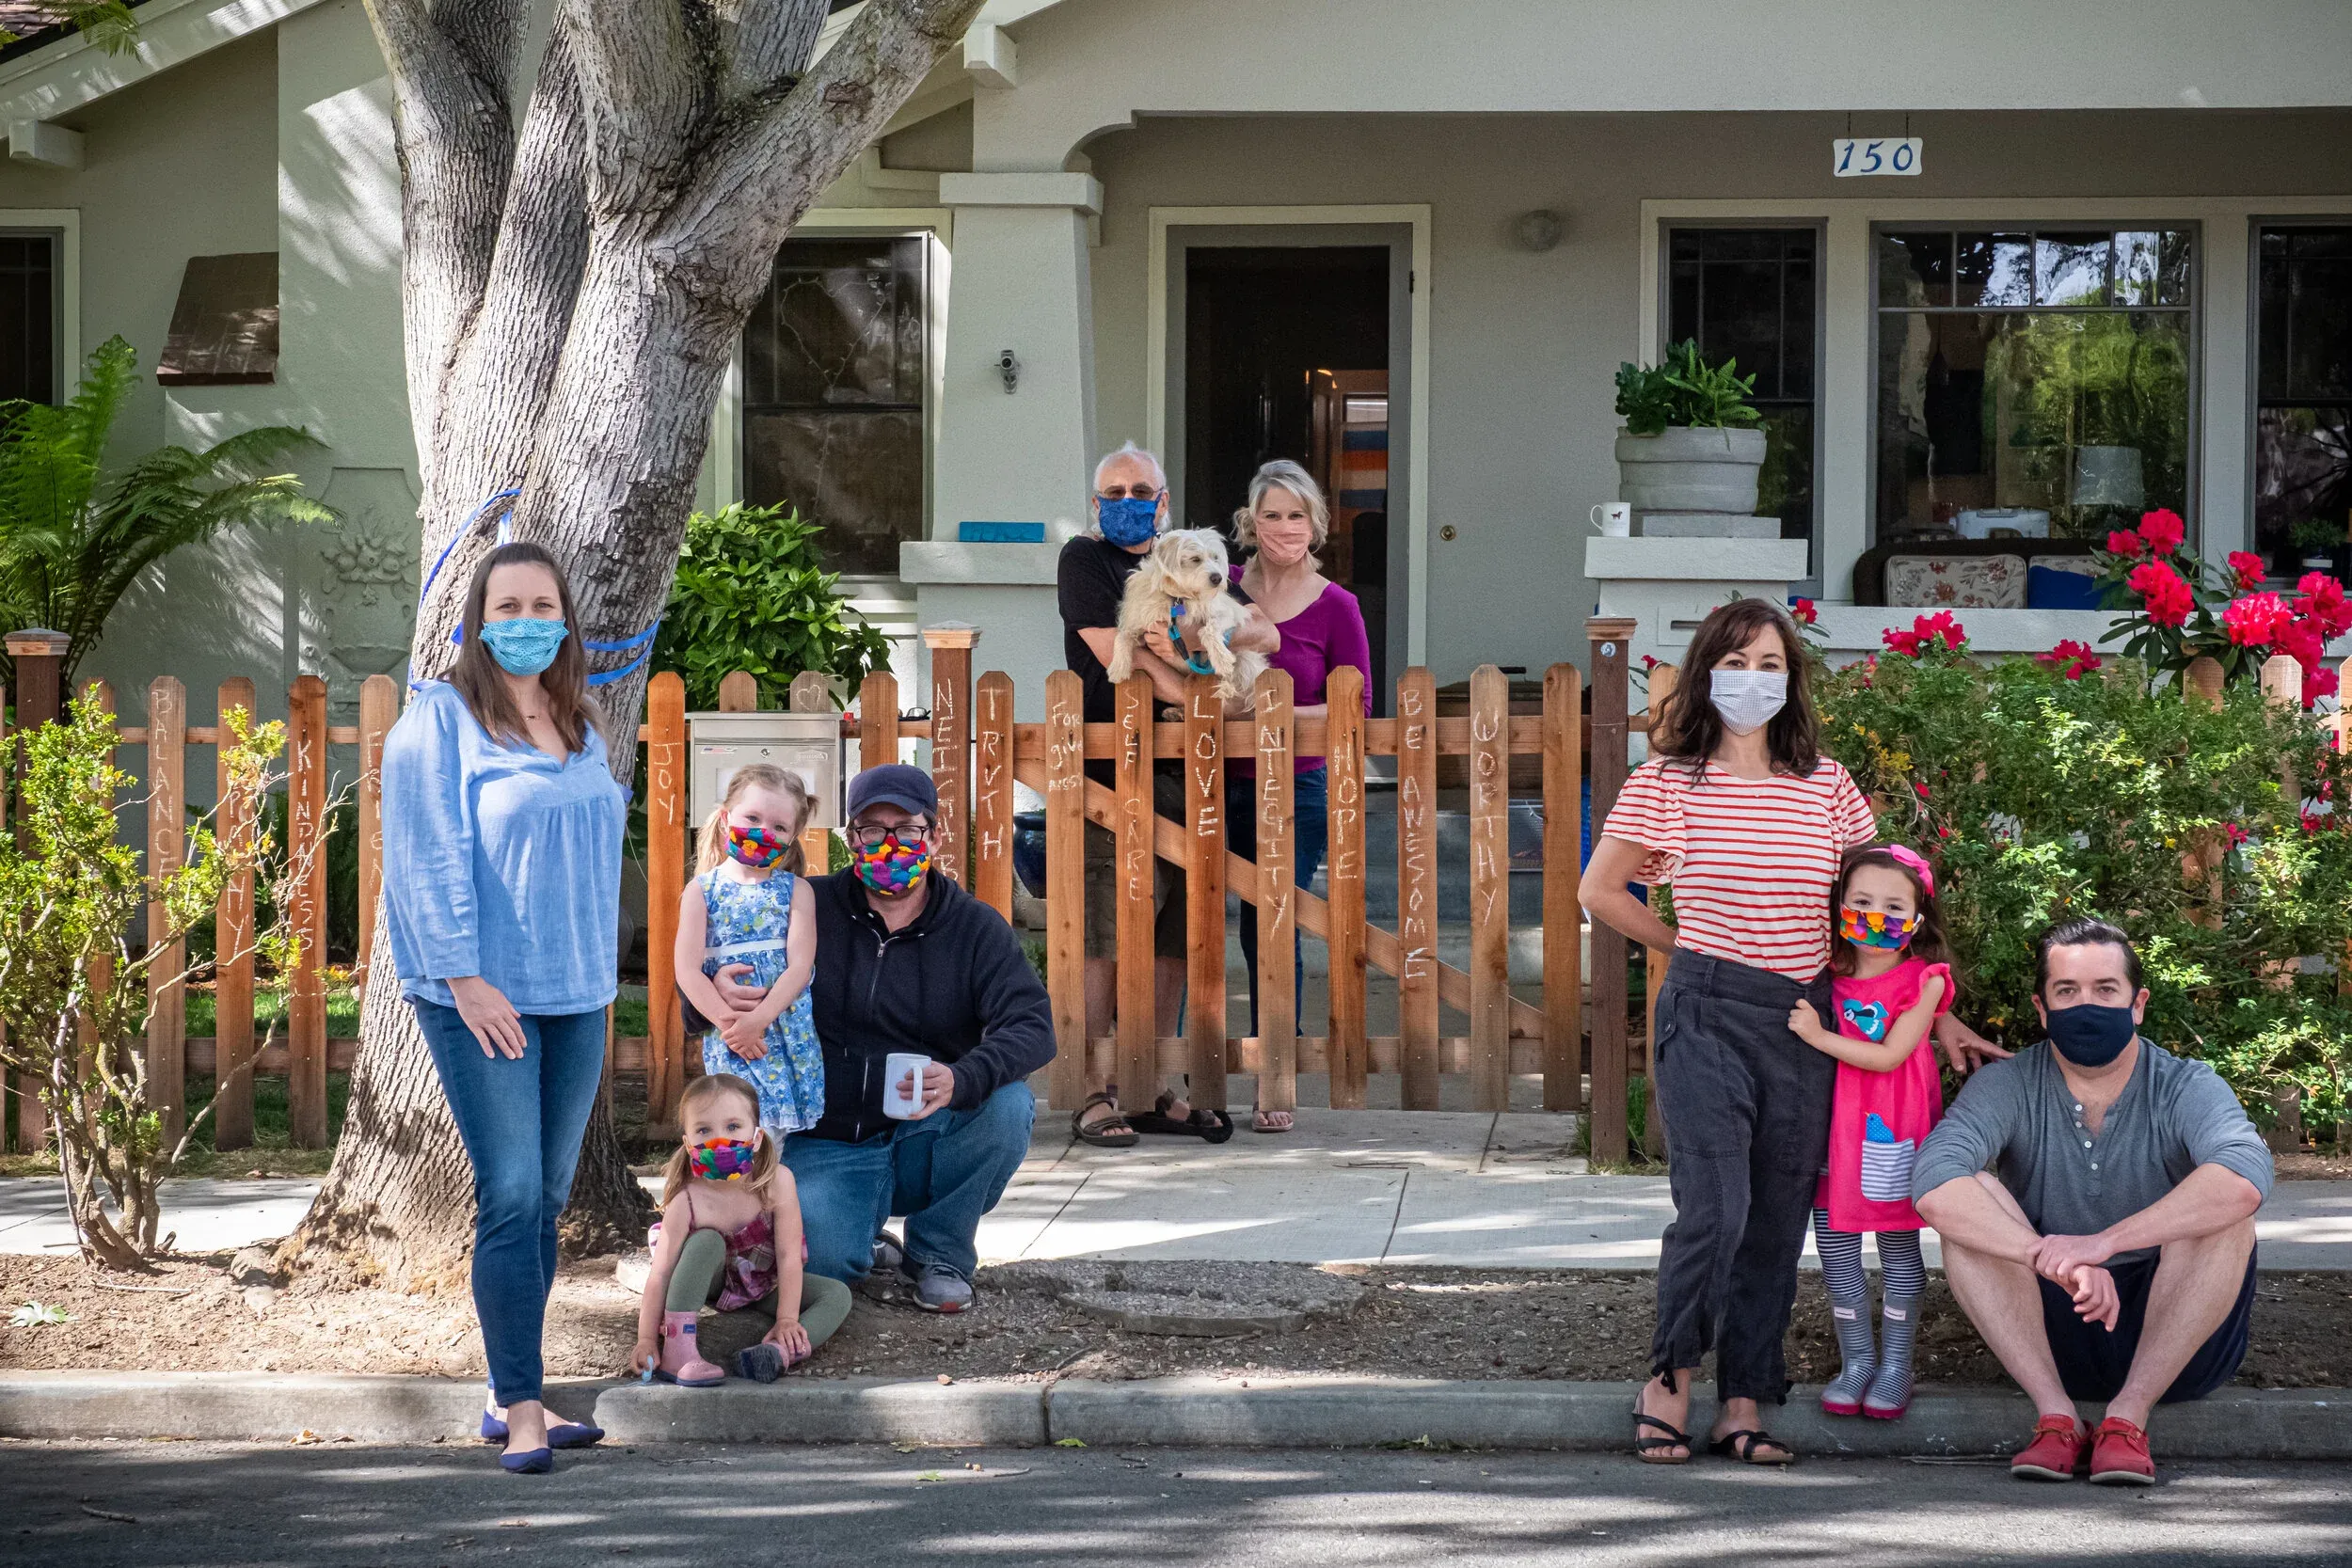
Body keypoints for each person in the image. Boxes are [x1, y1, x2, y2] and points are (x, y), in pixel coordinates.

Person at [1581, 596, 1997, 1466]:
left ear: (1791, 679)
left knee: (1775, 1218)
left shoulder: (1828, 785)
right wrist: (1684, 945)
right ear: (1705, 675)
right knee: (1717, 1206)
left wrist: (1938, 1010)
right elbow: (1601, 891)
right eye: (1734, 664)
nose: (1752, 681)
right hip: (1705, 1012)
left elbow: (1884, 920)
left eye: (1770, 664)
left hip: (1808, 1017)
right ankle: (1669, 1379)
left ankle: (1745, 1399)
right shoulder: (1666, 782)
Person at [379, 540, 626, 1474]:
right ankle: (524, 1406)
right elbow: (422, 852)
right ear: (479, 620)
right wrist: (463, 974)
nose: (525, 620)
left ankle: (500, 1385)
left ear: (565, 619)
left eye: (541, 605)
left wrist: (600, 979)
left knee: (549, 1196)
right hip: (479, 994)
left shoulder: (581, 722)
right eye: (507, 605)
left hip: (576, 995)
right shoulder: (437, 721)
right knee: (513, 1192)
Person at [1913, 919, 2271, 1487]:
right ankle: (2056, 1417)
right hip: (2049, 1332)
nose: (2087, 1006)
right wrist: (2050, 1256)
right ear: (2041, 1007)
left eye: (2106, 990)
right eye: (2067, 992)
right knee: (1969, 1199)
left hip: (2178, 1337)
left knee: (2223, 1212)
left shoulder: (2185, 1083)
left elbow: (2246, 1175)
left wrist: (2103, 1243)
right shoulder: (2007, 1085)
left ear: (2137, 1004)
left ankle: (2128, 1419)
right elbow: (1933, 1181)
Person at [712, 764, 1054, 1313]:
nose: (890, 844)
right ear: (851, 838)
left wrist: (963, 1077)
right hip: (830, 1139)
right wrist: (715, 989)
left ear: (935, 837)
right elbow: (717, 970)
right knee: (817, 1265)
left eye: (908, 829)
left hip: (927, 1132)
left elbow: (1033, 1026)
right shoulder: (805, 906)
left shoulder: (975, 927)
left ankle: (940, 1254)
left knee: (1008, 1104)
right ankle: (861, 1236)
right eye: (872, 830)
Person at [1056, 440, 1275, 1146]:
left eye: (1139, 490)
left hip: (1185, 768)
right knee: (1104, 932)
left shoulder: (1192, 559)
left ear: (1164, 499)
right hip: (1109, 766)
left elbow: (1253, 623)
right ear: (1096, 504)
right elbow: (1115, 655)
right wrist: (1193, 683)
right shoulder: (1085, 562)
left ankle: (1149, 1084)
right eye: (1112, 492)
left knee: (1174, 929)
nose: (1126, 503)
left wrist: (1193, 665)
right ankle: (1092, 1088)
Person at [1223, 460, 1372, 1134]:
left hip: (1302, 786)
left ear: (1316, 523)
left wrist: (1279, 650)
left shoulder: (1337, 605)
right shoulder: (1219, 588)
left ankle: (1270, 1071)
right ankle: (1171, 1072)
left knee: (1269, 921)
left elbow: (1357, 705)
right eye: (1272, 513)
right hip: (1215, 779)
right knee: (1190, 922)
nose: (1284, 525)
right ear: (1250, 523)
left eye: (1296, 514)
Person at [1784, 844, 1955, 1421]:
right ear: (1838, 907)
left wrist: (1816, 1036)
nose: (1874, 915)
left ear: (1917, 919)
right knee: (1835, 1249)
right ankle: (1857, 1361)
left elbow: (1888, 1057)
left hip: (1890, 1127)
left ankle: (1896, 1365)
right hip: (1832, 1129)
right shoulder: (1823, 973)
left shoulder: (1925, 981)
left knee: (1900, 1244)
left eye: (1891, 905)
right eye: (1860, 902)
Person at [628, 1072, 850, 1386]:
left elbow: (788, 1256)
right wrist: (646, 1339)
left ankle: (777, 1354)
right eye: (704, 1130)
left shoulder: (777, 1182)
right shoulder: (687, 1198)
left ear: (756, 1137)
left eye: (733, 1127)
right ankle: (678, 1351)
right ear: (689, 1144)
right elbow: (661, 1273)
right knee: (706, 1241)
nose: (720, 1140)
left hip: (764, 1281)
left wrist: (787, 1319)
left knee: (836, 1295)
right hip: (712, 1283)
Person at [676, 764, 823, 1135]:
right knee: (735, 1125)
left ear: (793, 836)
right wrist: (731, 1026)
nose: (763, 832)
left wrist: (758, 1021)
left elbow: (800, 967)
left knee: (775, 1139)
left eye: (779, 827)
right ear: (727, 819)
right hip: (732, 1039)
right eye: (753, 817)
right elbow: (687, 970)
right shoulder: (701, 892)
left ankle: (773, 1193)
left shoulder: (798, 892)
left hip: (785, 1029)